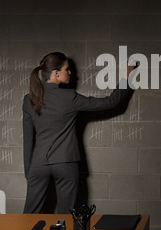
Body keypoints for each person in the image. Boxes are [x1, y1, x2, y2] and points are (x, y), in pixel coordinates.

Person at [23, 51, 134, 214]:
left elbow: (28, 139)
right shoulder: (70, 97)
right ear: (56, 73)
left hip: (38, 165)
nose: (70, 73)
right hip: (66, 163)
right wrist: (126, 77)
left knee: (29, 217)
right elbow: (111, 102)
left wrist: (28, 172)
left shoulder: (28, 99)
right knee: (66, 219)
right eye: (67, 69)